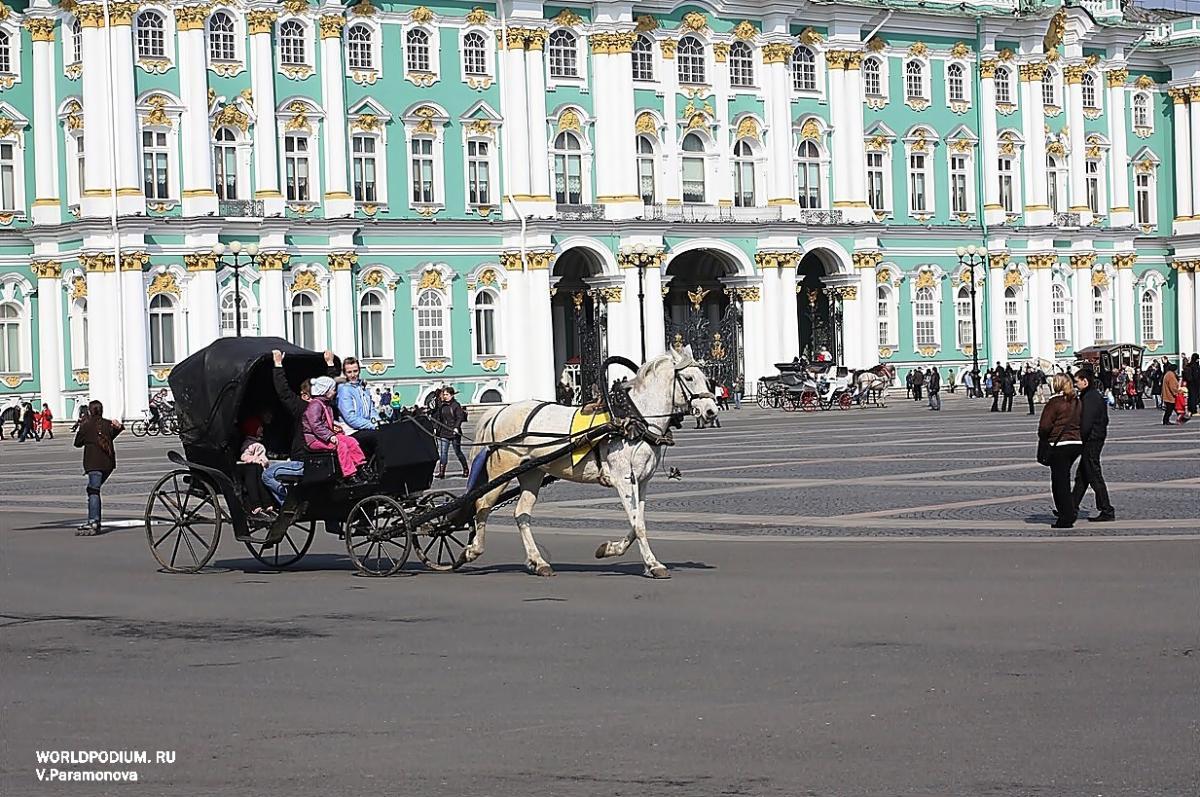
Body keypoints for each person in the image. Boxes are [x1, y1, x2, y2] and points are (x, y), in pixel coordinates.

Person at [262, 349, 339, 505]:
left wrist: (277, 365)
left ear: (305, 396)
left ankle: (288, 503)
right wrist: (330, 364)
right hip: (325, 461)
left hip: (304, 460)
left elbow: (284, 392)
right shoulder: (326, 406)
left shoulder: (303, 408)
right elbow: (331, 386)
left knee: (267, 476)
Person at [1037, 374, 1083, 530]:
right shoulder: (1077, 402)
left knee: (1059, 482)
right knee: (1065, 478)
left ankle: (1066, 517)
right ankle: (1068, 510)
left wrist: (1044, 437)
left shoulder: (1054, 403)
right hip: (1076, 443)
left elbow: (1044, 426)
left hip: (1059, 444)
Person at [73, 400, 123, 535]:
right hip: (108, 464)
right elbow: (112, 435)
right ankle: (94, 520)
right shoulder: (107, 424)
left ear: (89, 411)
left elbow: (77, 443)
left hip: (94, 464)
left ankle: (93, 521)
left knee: (93, 491)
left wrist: (81, 428)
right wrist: (119, 427)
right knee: (93, 490)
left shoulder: (86, 426)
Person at [1071, 369, 1114, 523]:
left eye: (1077, 382)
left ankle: (1107, 509)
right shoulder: (1092, 396)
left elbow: (1086, 423)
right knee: (1082, 476)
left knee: (1094, 475)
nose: (1075, 385)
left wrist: (1079, 439)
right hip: (1095, 438)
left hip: (1091, 440)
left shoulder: (1090, 398)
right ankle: (1070, 507)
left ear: (1085, 381)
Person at [304, 375, 367, 479]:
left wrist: (334, 428)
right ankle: (349, 474)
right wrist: (329, 436)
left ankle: (361, 465)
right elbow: (315, 425)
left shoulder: (325, 404)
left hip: (323, 435)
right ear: (326, 391)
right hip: (315, 439)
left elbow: (326, 422)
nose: (335, 392)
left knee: (351, 441)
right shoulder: (315, 405)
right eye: (333, 390)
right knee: (341, 445)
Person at [335, 357, 378, 455]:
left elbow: (371, 410)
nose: (353, 375)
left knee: (386, 433)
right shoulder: (344, 390)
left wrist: (379, 422)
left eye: (355, 371)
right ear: (345, 373)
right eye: (349, 372)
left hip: (365, 427)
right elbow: (350, 418)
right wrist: (372, 425)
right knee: (377, 437)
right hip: (351, 430)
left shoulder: (362, 387)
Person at [431, 387, 469, 479]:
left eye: (447, 395)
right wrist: (436, 428)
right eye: (444, 394)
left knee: (458, 452)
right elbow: (438, 418)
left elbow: (459, 417)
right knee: (443, 453)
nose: (445, 396)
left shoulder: (456, 405)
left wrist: (456, 427)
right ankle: (441, 472)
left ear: (451, 395)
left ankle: (466, 469)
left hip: (454, 433)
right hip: (444, 432)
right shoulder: (442, 406)